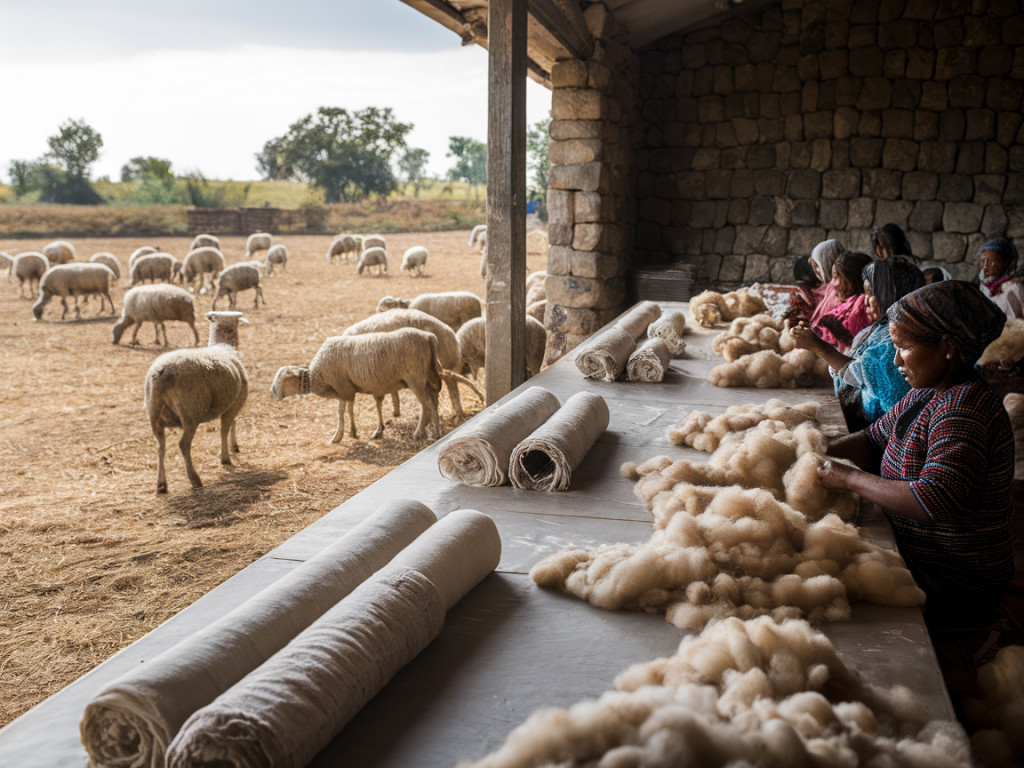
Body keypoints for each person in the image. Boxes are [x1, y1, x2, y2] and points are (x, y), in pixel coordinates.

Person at [818, 281, 1014, 627]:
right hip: (913, 555)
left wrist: (848, 478)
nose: (895, 360)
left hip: (954, 581)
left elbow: (932, 500)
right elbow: (872, 438)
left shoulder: (964, 410)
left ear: (948, 347)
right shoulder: (927, 392)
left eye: (904, 347)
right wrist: (815, 454)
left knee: (823, 586)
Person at [791, 258, 926, 432]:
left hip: (881, 434)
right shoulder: (876, 330)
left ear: (888, 293)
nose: (865, 301)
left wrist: (819, 347)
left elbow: (862, 374)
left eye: (871, 293)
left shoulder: (899, 338)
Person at [810, 250, 873, 352]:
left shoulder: (861, 308)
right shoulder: (846, 306)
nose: (832, 284)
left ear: (851, 280)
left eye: (836, 277)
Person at [977, 237, 1024, 320]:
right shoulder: (985, 287)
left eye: (992, 261)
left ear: (1006, 262)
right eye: (982, 260)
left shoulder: (1012, 287)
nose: (985, 266)